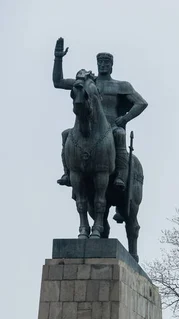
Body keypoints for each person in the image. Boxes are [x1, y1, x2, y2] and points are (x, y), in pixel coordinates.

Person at [53, 38, 148, 222]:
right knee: (66, 134)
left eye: (107, 62)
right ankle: (67, 173)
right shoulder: (87, 83)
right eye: (101, 62)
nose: (103, 65)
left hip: (110, 128)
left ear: (112, 66)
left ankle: (120, 176)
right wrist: (58, 59)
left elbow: (141, 103)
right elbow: (58, 82)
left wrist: (125, 119)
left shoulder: (121, 85)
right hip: (88, 126)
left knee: (119, 135)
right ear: (97, 64)